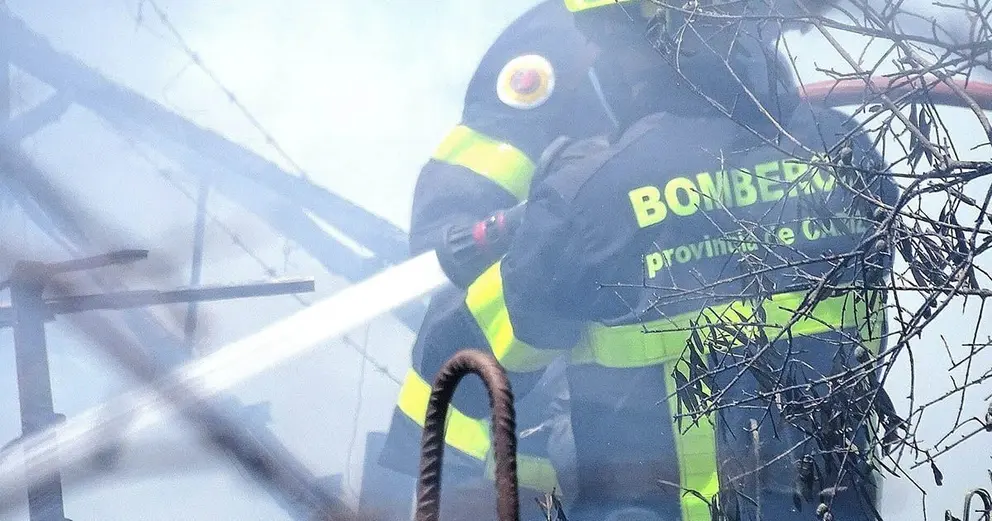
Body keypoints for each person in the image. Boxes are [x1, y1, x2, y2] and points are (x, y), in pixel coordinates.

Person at [458, 1, 901, 520]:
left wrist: (536, 221)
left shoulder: (590, 191)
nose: (605, 58)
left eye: (609, 36)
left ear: (663, 32)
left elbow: (481, 370)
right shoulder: (851, 153)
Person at [376, 0, 619, 515]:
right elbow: (444, 238)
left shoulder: (723, 40)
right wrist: (549, 212)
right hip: (489, 444)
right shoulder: (557, 50)